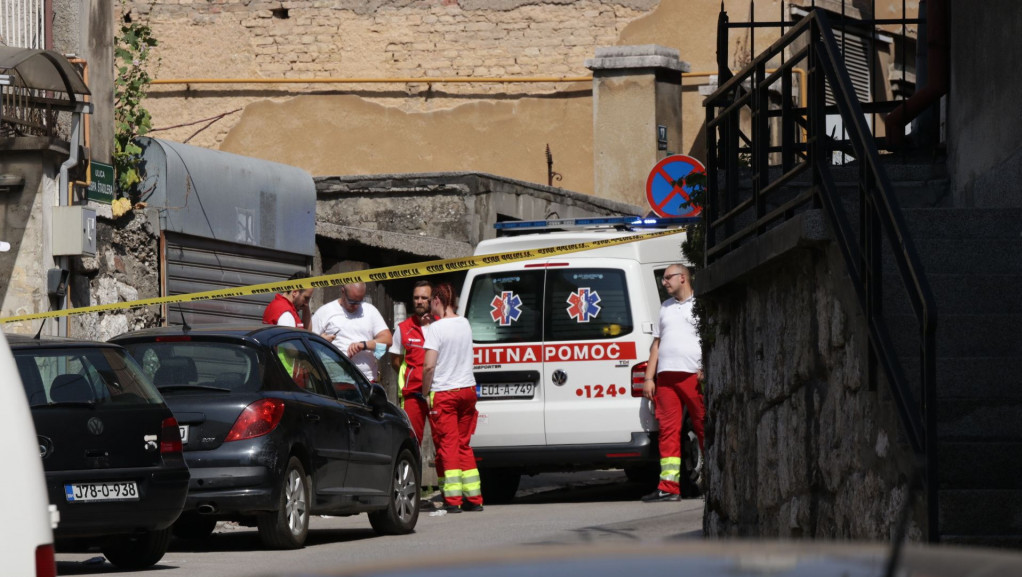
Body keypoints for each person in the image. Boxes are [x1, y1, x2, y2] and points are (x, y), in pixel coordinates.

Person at [641, 264, 706, 503]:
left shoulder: (700, 303)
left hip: (692, 375)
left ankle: (714, 481)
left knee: (703, 427)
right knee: (668, 432)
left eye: (668, 278)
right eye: (664, 278)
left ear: (683, 278)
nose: (664, 282)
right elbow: (656, 344)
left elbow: (710, 335)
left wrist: (706, 366)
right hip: (666, 378)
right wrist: (649, 378)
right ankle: (668, 487)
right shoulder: (665, 308)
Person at [421, 282, 483, 514]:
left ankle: (453, 500)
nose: (430, 308)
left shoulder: (436, 329)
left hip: (445, 392)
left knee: (447, 446)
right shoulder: (464, 323)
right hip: (467, 390)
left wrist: (425, 391)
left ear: (437, 300)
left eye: (431, 303)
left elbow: (428, 366)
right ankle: (474, 498)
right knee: (463, 444)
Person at [310, 282, 392, 382]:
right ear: (343, 291)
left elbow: (388, 341)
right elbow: (309, 340)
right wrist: (321, 341)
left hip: (366, 380)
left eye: (359, 302)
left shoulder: (370, 311)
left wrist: (364, 345)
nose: (356, 306)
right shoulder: (325, 312)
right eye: (352, 302)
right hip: (334, 382)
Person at [390, 281, 437, 444]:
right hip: (413, 395)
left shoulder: (441, 325)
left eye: (424, 298)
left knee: (443, 442)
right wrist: (414, 375)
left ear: (433, 300)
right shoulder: (403, 328)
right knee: (411, 442)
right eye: (416, 297)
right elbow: (396, 360)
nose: (419, 301)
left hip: (439, 393)